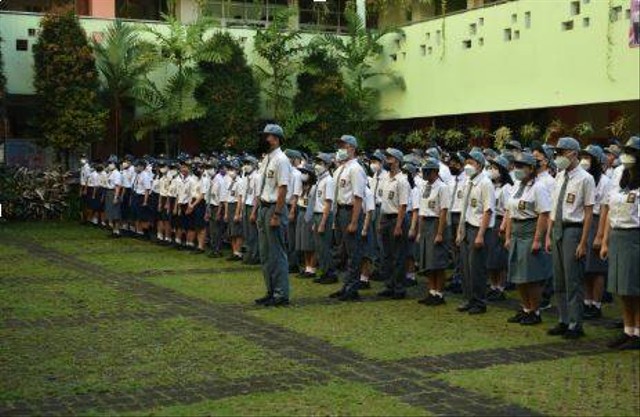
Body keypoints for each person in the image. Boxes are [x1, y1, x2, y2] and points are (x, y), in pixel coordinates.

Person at [545, 137, 595, 339]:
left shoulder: (585, 178)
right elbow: (553, 207)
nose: (558, 156)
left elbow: (589, 212)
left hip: (573, 229)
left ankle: (576, 324)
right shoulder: (559, 176)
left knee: (572, 279)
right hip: (557, 227)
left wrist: (583, 242)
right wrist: (548, 235)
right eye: (557, 153)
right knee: (559, 279)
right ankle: (563, 320)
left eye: (562, 152)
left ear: (574, 153)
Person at [600, 136, 640, 350]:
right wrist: (605, 240)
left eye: (631, 152)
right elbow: (609, 211)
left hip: (635, 236)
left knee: (635, 287)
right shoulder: (620, 178)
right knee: (621, 288)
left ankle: (638, 332)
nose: (626, 156)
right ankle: (628, 330)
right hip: (618, 235)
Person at [504, 152, 552, 325]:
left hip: (530, 230)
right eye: (516, 166)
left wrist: (537, 239)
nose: (517, 169)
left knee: (531, 276)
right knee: (518, 275)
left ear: (531, 168)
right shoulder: (517, 185)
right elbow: (510, 211)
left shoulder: (538, 187)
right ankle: (525, 308)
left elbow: (544, 214)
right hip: (516, 230)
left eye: (521, 166)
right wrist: (508, 235)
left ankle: (535, 311)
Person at [254, 124, 292, 307]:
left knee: (277, 253)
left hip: (274, 208)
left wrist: (277, 213)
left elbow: (283, 188)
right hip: (264, 207)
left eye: (266, 136)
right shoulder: (266, 159)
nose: (264, 139)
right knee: (265, 253)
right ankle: (270, 290)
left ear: (276, 138)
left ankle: (281, 293)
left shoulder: (281, 160)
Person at [456, 149, 495, 315]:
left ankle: (479, 302)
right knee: (465, 266)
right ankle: (468, 298)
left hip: (478, 228)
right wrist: (459, 229)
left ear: (479, 165)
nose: (467, 166)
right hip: (466, 225)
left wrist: (480, 234)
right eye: (467, 162)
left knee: (476, 267)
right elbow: (464, 208)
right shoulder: (468, 181)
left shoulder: (485, 183)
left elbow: (488, 210)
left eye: (471, 163)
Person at [330, 135, 367, 301]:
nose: (341, 149)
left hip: (351, 211)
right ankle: (346, 285)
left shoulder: (356, 169)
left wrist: (353, 221)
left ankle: (353, 287)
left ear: (352, 148)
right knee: (343, 250)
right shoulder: (342, 169)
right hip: (340, 210)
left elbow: (358, 197)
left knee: (353, 251)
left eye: (343, 145)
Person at [579, 145, 611, 320]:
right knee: (585, 267)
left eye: (589, 157)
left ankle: (596, 304)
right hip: (584, 220)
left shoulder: (605, 181)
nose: (585, 161)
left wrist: (600, 235)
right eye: (583, 156)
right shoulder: (584, 179)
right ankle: (587, 301)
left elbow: (605, 209)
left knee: (597, 268)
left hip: (598, 222)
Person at [416, 157, 451, 306]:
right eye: (424, 171)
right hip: (425, 223)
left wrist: (440, 233)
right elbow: (422, 209)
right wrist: (419, 230)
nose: (425, 174)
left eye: (428, 172)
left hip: (436, 223)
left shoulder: (442, 187)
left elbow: (443, 211)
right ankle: (431, 291)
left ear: (435, 172)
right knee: (428, 262)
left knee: (438, 262)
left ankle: (439, 293)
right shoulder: (425, 186)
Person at [376, 148, 411, 299]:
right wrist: (380, 221)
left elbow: (403, 205)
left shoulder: (402, 180)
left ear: (396, 160)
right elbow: (384, 202)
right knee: (387, 255)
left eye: (389, 158)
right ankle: (389, 285)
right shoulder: (385, 178)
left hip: (397, 218)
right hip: (385, 217)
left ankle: (399, 287)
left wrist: (398, 225)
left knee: (398, 255)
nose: (386, 160)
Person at [486, 155, 514, 301]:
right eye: (491, 168)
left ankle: (501, 287)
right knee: (491, 256)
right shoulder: (491, 186)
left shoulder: (507, 188)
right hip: (490, 221)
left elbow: (508, 209)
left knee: (500, 257)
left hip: (500, 221)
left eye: (496, 168)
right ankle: (493, 285)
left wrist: (504, 226)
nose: (492, 171)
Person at [312, 153, 337, 284]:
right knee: (319, 247)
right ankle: (324, 271)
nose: (317, 166)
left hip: (323, 215)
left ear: (327, 165)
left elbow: (328, 202)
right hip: (317, 214)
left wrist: (322, 222)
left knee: (325, 246)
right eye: (317, 162)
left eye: (320, 163)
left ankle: (330, 273)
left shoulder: (329, 180)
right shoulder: (320, 180)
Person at [446, 153, 467, 293]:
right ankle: (456, 274)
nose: (451, 166)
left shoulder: (466, 180)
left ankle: (461, 278)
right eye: (450, 163)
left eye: (454, 163)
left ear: (461, 164)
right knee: (453, 248)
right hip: (450, 214)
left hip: (460, 215)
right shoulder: (451, 180)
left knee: (461, 247)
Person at [296, 164, 317, 278]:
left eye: (305, 172)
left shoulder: (314, 187)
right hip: (301, 212)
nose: (303, 175)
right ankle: (306, 266)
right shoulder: (301, 186)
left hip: (309, 214)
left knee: (310, 243)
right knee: (303, 242)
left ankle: (312, 268)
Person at [285, 149, 304, 273]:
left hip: (293, 206)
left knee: (292, 236)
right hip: (286, 205)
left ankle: (294, 263)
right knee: (287, 236)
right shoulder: (287, 172)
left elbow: (296, 194)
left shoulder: (297, 174)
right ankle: (290, 261)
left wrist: (292, 210)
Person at [242, 156, 261, 265]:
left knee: (253, 232)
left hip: (253, 206)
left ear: (254, 165)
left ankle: (255, 256)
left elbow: (257, 196)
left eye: (248, 163)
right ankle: (248, 255)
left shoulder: (257, 177)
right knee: (247, 232)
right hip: (246, 205)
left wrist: (254, 212)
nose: (246, 166)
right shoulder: (246, 178)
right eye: (245, 163)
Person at [225, 160, 244, 261]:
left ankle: (238, 252)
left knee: (237, 232)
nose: (230, 171)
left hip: (236, 205)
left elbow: (240, 199)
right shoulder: (229, 181)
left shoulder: (240, 182)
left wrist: (238, 213)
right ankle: (234, 251)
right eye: (229, 169)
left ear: (237, 170)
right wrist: (226, 212)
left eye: (232, 169)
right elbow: (228, 197)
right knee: (231, 232)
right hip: (230, 205)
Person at [104, 157, 123, 238]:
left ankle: (117, 231)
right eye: (109, 163)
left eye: (111, 163)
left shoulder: (117, 173)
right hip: (108, 192)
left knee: (115, 213)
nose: (110, 165)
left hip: (113, 192)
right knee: (110, 212)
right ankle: (113, 230)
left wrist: (115, 197)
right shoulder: (110, 173)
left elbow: (117, 186)